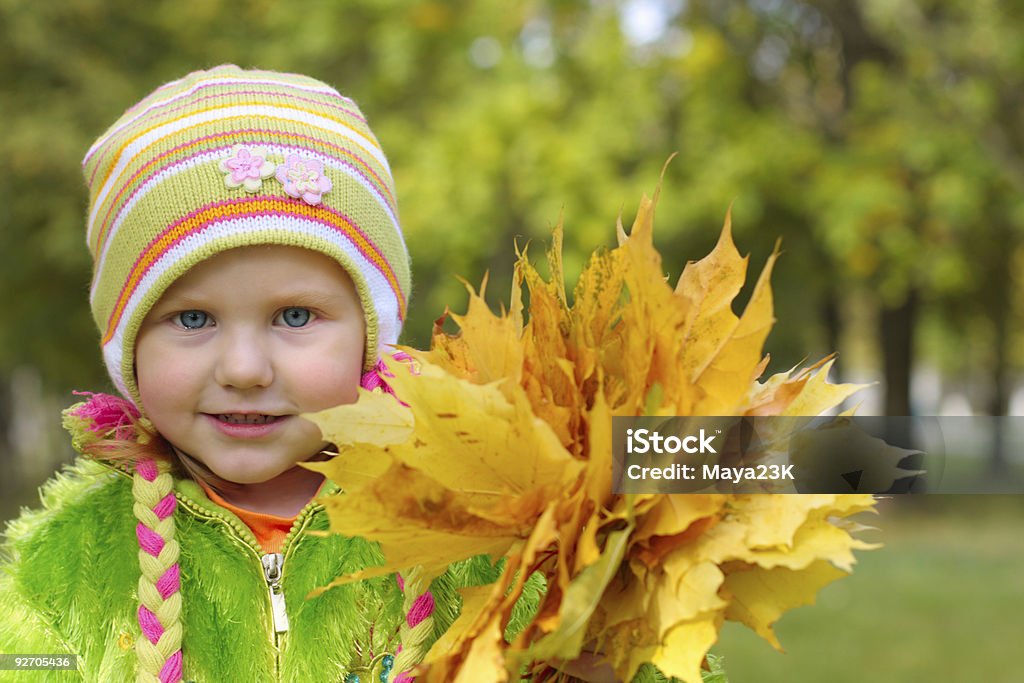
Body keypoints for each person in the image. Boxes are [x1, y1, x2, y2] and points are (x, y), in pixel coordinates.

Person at [0, 65, 675, 683]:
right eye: (192, 319)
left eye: (295, 315)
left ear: (369, 336)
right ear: (128, 347)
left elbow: (739, 461)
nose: (243, 368)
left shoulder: (481, 519)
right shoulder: (60, 567)